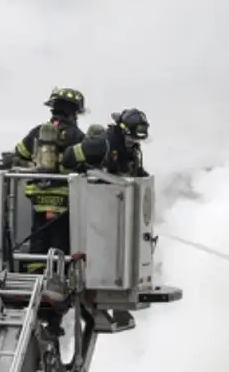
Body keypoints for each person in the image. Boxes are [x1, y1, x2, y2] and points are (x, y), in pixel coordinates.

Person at [13, 87, 87, 336]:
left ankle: (34, 285)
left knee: (38, 241)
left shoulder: (38, 131)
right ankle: (53, 293)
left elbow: (20, 152)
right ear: (75, 111)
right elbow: (87, 161)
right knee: (59, 245)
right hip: (63, 198)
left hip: (38, 197)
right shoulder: (76, 134)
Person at [60, 108, 150, 177]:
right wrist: (89, 170)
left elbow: (134, 173)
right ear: (123, 131)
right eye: (130, 139)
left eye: (135, 140)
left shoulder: (130, 150)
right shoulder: (103, 144)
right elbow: (69, 156)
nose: (132, 143)